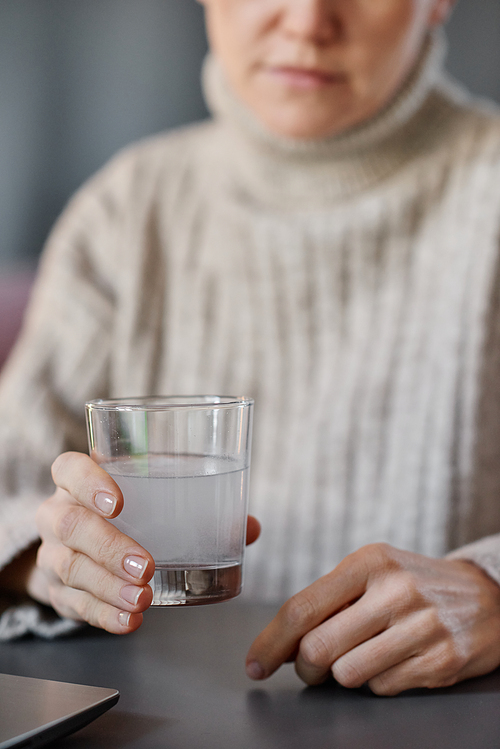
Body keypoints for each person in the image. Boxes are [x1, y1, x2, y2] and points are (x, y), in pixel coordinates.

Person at [2, 0, 500, 695]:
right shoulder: (126, 212)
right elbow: (10, 488)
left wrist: (491, 586)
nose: (306, 22)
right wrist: (41, 554)